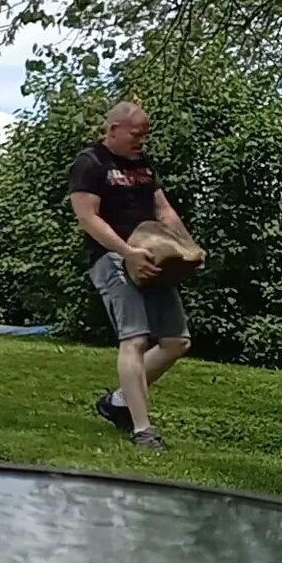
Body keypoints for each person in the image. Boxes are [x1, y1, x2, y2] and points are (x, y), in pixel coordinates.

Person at [67, 101, 200, 450]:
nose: (142, 140)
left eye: (146, 134)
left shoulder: (143, 164)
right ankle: (143, 429)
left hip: (154, 256)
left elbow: (163, 210)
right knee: (136, 339)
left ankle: (118, 402)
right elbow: (87, 217)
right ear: (113, 129)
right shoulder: (91, 163)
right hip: (111, 258)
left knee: (176, 342)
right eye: (136, 133)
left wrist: (188, 246)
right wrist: (127, 253)